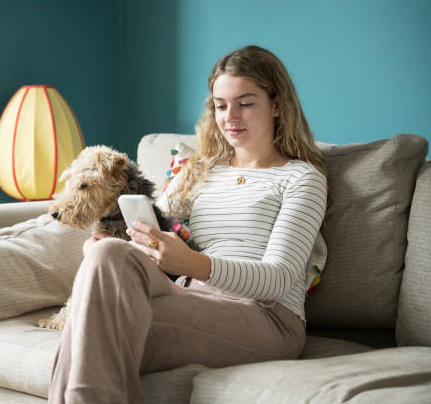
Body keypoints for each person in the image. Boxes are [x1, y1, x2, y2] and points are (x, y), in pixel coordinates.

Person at [48, 45, 328, 404]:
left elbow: (278, 279)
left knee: (93, 328)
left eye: (245, 103)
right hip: (189, 293)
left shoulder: (301, 178)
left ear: (276, 105)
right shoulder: (199, 169)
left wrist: (191, 263)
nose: (230, 117)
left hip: (266, 316)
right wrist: (106, 245)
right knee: (109, 255)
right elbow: (147, 230)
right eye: (221, 105)